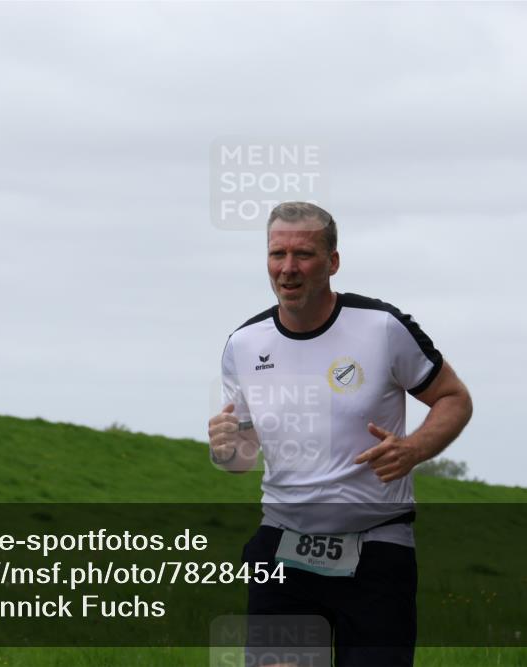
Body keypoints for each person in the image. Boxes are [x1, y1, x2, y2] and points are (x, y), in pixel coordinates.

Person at [207, 201, 473, 667]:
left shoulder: (382, 327)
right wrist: (226, 450)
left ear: (332, 262)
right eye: (277, 254)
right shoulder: (243, 345)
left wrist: (413, 449)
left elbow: (454, 398)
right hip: (284, 547)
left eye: (303, 254)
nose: (288, 268)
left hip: (376, 548)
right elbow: (242, 459)